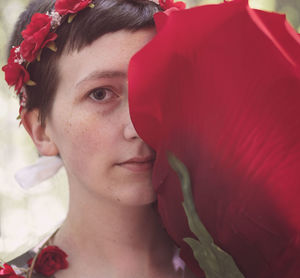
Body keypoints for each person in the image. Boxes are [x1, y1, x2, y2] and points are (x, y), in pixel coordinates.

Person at [1, 0, 196, 277]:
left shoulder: (251, 262)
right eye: (100, 94)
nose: (138, 128)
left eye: (158, 87)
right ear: (41, 130)